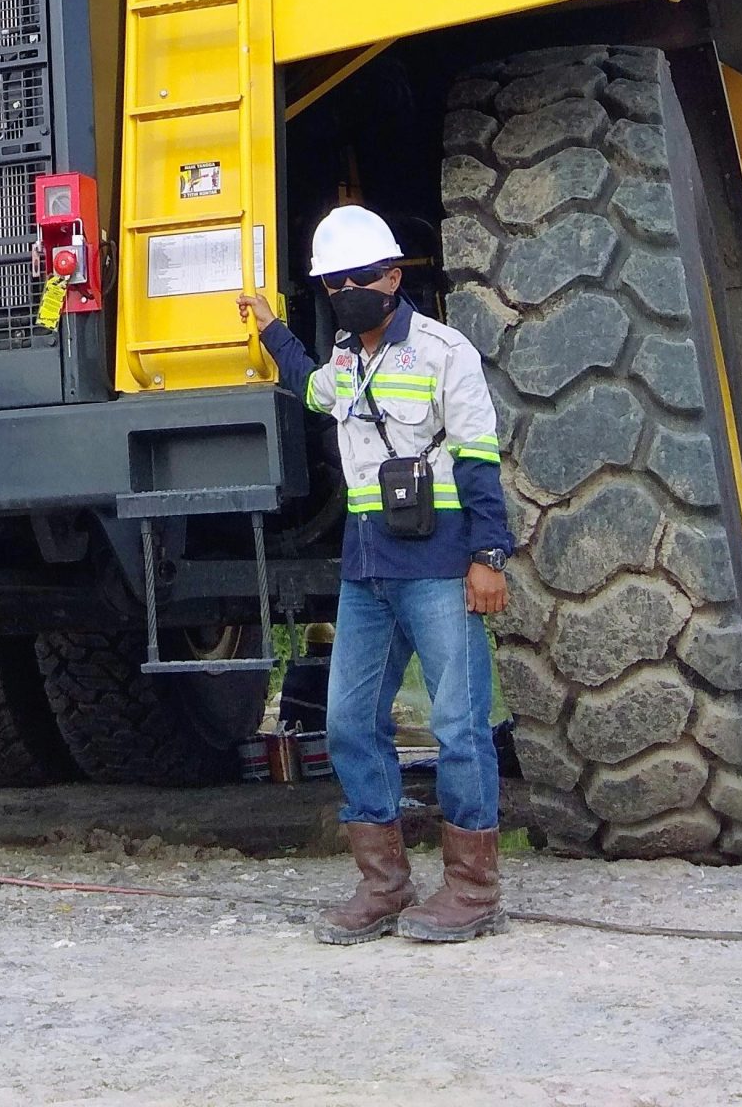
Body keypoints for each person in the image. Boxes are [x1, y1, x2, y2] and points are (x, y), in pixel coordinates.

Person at [240, 205, 513, 944]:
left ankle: (473, 889)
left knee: (459, 727)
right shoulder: (344, 360)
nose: (347, 289)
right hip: (367, 572)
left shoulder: (443, 351)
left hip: (438, 566)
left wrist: (489, 559)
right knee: (349, 724)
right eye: (335, 281)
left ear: (394, 277)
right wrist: (269, 330)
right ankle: (384, 886)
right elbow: (308, 388)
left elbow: (480, 460)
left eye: (361, 277)